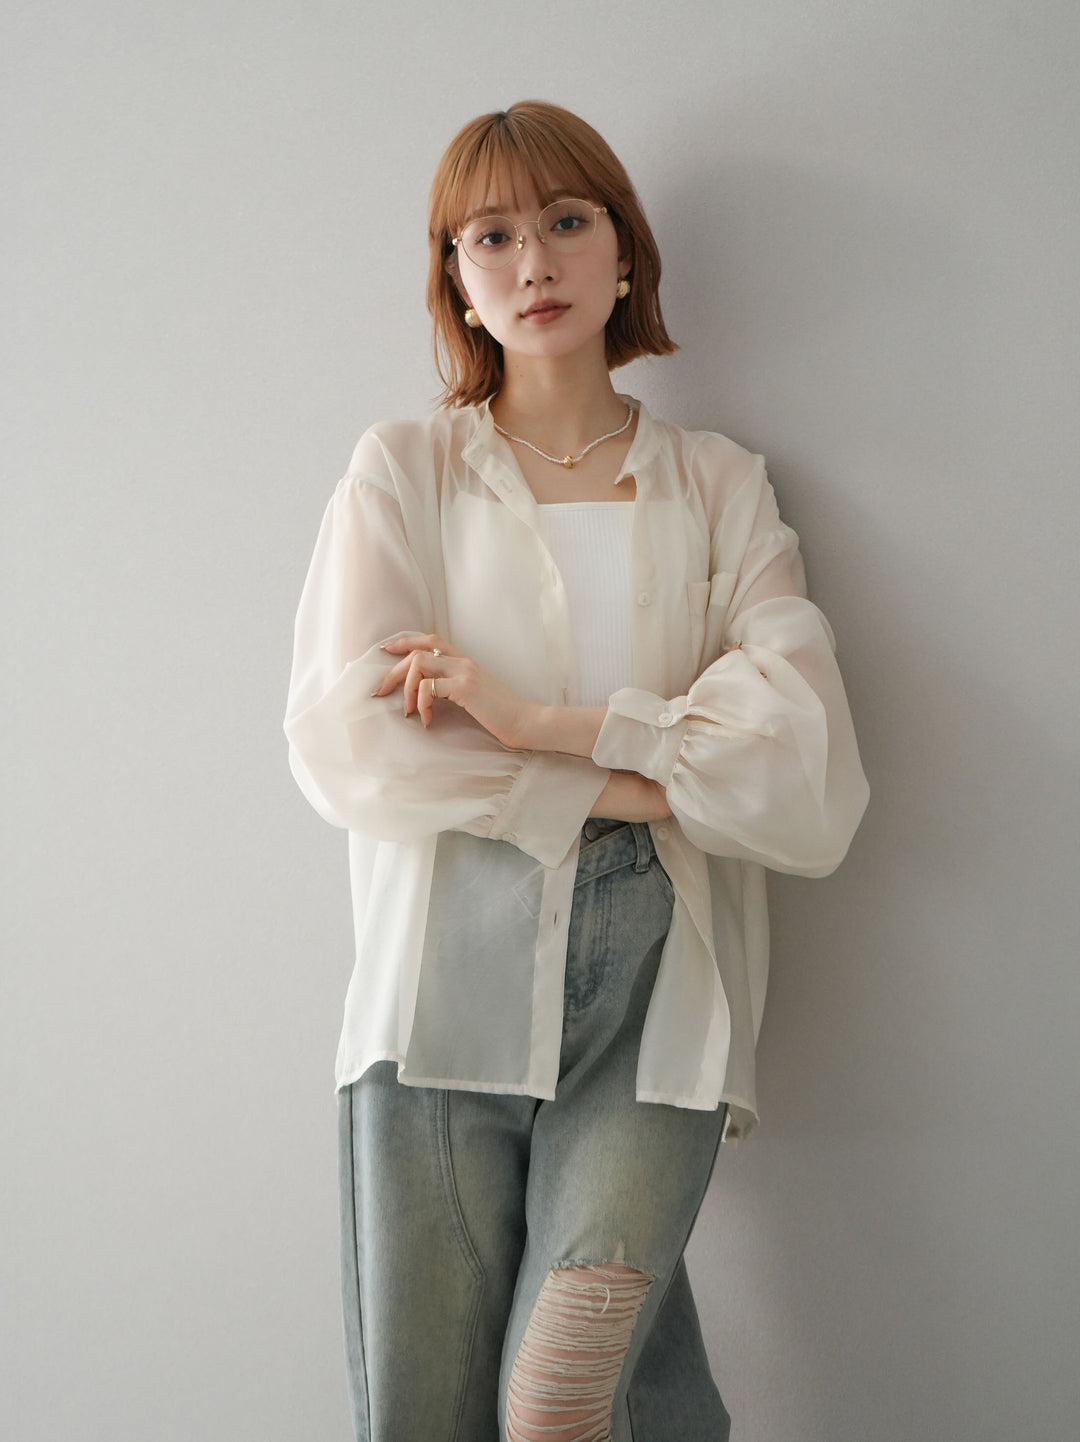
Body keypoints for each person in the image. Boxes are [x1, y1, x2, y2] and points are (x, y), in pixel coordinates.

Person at [285, 100, 869, 1442]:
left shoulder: (718, 485)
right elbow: (354, 741)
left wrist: (535, 721)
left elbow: (803, 769)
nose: (534, 261)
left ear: (623, 253)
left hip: (664, 990)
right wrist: (651, 779)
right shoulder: (405, 472)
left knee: (560, 1393)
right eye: (491, 236)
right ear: (457, 280)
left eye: (565, 220)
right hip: (438, 988)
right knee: (431, 1413)